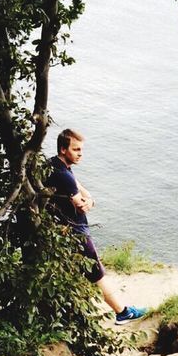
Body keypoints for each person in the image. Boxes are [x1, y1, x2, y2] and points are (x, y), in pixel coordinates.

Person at [44, 129, 147, 325]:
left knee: (79, 271)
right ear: (63, 149)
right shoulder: (63, 175)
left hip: (62, 230)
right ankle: (122, 312)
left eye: (81, 149)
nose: (80, 154)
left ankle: (65, 314)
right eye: (76, 149)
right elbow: (80, 205)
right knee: (98, 273)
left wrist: (89, 196)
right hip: (75, 231)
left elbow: (78, 185)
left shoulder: (55, 164)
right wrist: (90, 202)